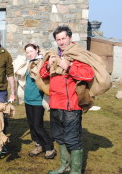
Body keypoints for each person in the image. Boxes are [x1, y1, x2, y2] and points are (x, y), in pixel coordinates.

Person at [40, 25, 94, 174]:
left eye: (64, 38)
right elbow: (42, 74)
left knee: (72, 139)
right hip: (55, 105)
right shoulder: (54, 55)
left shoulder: (78, 55)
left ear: (70, 38)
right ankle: (65, 166)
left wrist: (69, 67)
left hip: (72, 106)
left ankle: (75, 171)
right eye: (58, 39)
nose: (62, 42)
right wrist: (49, 64)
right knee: (59, 137)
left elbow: (88, 75)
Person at [23, 43, 56, 159]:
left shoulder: (42, 63)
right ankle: (38, 145)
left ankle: (49, 147)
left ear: (37, 49)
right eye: (27, 52)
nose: (29, 54)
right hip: (28, 99)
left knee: (38, 125)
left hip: (37, 99)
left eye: (31, 51)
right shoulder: (29, 63)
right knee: (31, 125)